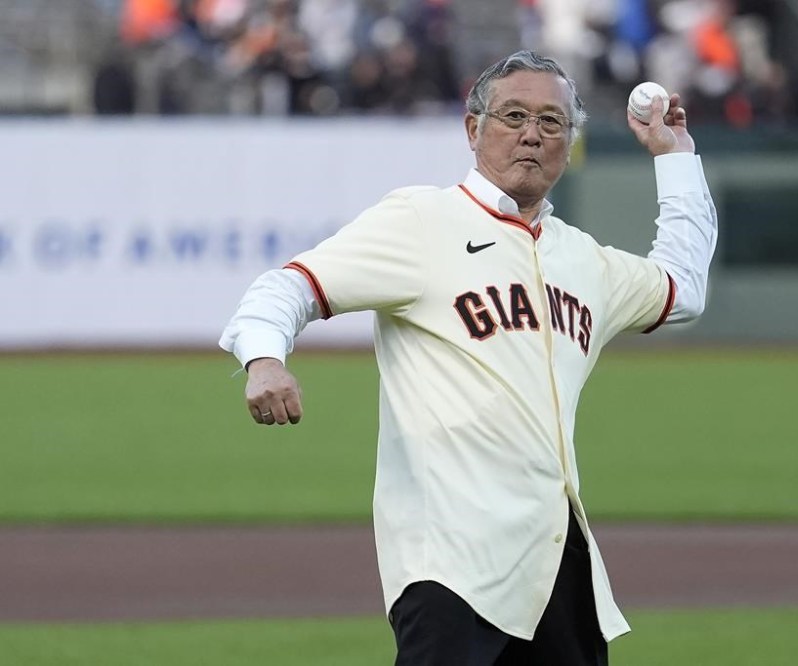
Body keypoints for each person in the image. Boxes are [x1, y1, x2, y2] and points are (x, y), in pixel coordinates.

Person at [219, 49, 717, 665]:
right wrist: (264, 357)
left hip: (555, 564)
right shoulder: (422, 221)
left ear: (570, 141)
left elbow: (681, 290)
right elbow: (289, 285)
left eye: (552, 121)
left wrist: (676, 159)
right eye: (512, 116)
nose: (532, 134)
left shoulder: (583, 260)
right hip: (450, 564)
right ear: (472, 129)